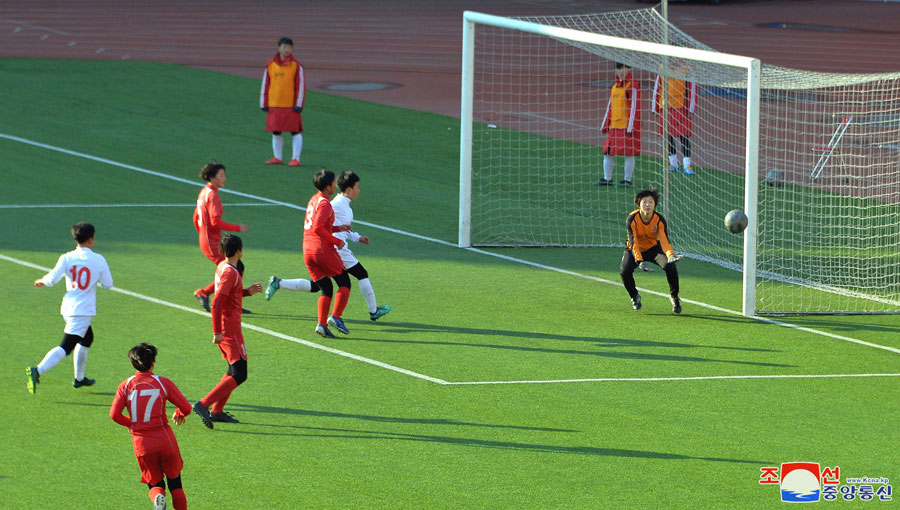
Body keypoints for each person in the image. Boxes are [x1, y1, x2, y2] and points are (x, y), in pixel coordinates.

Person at [266, 170, 390, 322]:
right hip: (334, 249)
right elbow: (322, 226)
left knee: (319, 286)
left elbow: (338, 227)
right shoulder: (335, 205)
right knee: (358, 275)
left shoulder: (341, 204)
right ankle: (369, 311)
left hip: (329, 247)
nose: (359, 190)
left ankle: (279, 283)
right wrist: (337, 242)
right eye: (357, 187)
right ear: (348, 189)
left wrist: (357, 238)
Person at [27, 222, 113, 394]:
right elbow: (108, 284)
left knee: (87, 338)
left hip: (68, 307)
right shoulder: (98, 260)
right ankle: (38, 370)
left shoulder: (67, 257)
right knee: (66, 347)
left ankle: (79, 379)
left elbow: (52, 279)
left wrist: (42, 281)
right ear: (91, 239)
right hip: (83, 311)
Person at [109, 343, 192, 510]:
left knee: (155, 484)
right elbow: (186, 408)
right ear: (153, 363)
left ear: (132, 365)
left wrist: (131, 425)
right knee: (176, 484)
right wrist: (179, 413)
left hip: (142, 444)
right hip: (165, 440)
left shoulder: (125, 385)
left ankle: (158, 498)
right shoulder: (163, 383)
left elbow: (114, 415)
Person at [192, 234, 262, 428]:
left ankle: (217, 411)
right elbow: (216, 302)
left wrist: (247, 292)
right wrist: (217, 332)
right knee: (240, 373)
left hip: (229, 327)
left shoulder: (223, 266)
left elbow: (229, 294)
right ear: (239, 251)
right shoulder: (231, 272)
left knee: (232, 370)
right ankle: (203, 404)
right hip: (229, 329)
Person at [192, 162, 249, 314]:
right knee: (233, 269)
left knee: (236, 268)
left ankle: (224, 299)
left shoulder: (204, 192)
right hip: (212, 242)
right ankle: (212, 296)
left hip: (207, 240)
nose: (224, 178)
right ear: (212, 178)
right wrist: (238, 228)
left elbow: (195, 217)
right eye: (221, 175)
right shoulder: (213, 195)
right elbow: (215, 222)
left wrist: (202, 233)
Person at [619, 189, 684, 314]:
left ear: (655, 205)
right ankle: (634, 296)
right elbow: (633, 242)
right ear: (638, 204)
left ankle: (675, 297)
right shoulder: (632, 219)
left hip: (653, 248)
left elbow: (664, 240)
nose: (647, 205)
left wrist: (670, 255)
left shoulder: (659, 219)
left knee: (670, 266)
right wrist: (639, 261)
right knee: (624, 271)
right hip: (634, 250)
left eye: (651, 202)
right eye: (644, 202)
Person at [260, 36, 305, 167]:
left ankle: (296, 158)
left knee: (295, 131)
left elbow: (300, 86)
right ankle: (277, 157)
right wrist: (263, 103)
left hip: (290, 105)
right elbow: (265, 85)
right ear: (279, 48)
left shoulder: (297, 66)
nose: (287, 50)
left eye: (289, 47)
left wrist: (299, 104)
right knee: (276, 131)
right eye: (284, 47)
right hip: (274, 104)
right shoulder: (270, 65)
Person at [596, 62, 641, 188]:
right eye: (619, 68)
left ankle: (627, 180)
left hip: (626, 126)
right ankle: (607, 179)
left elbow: (634, 107)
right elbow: (610, 107)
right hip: (614, 126)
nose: (621, 71)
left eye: (624, 68)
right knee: (607, 152)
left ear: (629, 69)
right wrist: (605, 124)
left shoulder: (632, 86)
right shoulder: (614, 86)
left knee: (629, 153)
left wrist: (631, 126)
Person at [652, 66, 697, 175]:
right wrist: (655, 108)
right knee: (667, 137)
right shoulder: (662, 69)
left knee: (684, 136)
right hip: (666, 109)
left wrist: (691, 109)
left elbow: (692, 90)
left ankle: (687, 165)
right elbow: (657, 89)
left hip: (681, 108)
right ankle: (673, 164)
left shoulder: (687, 70)